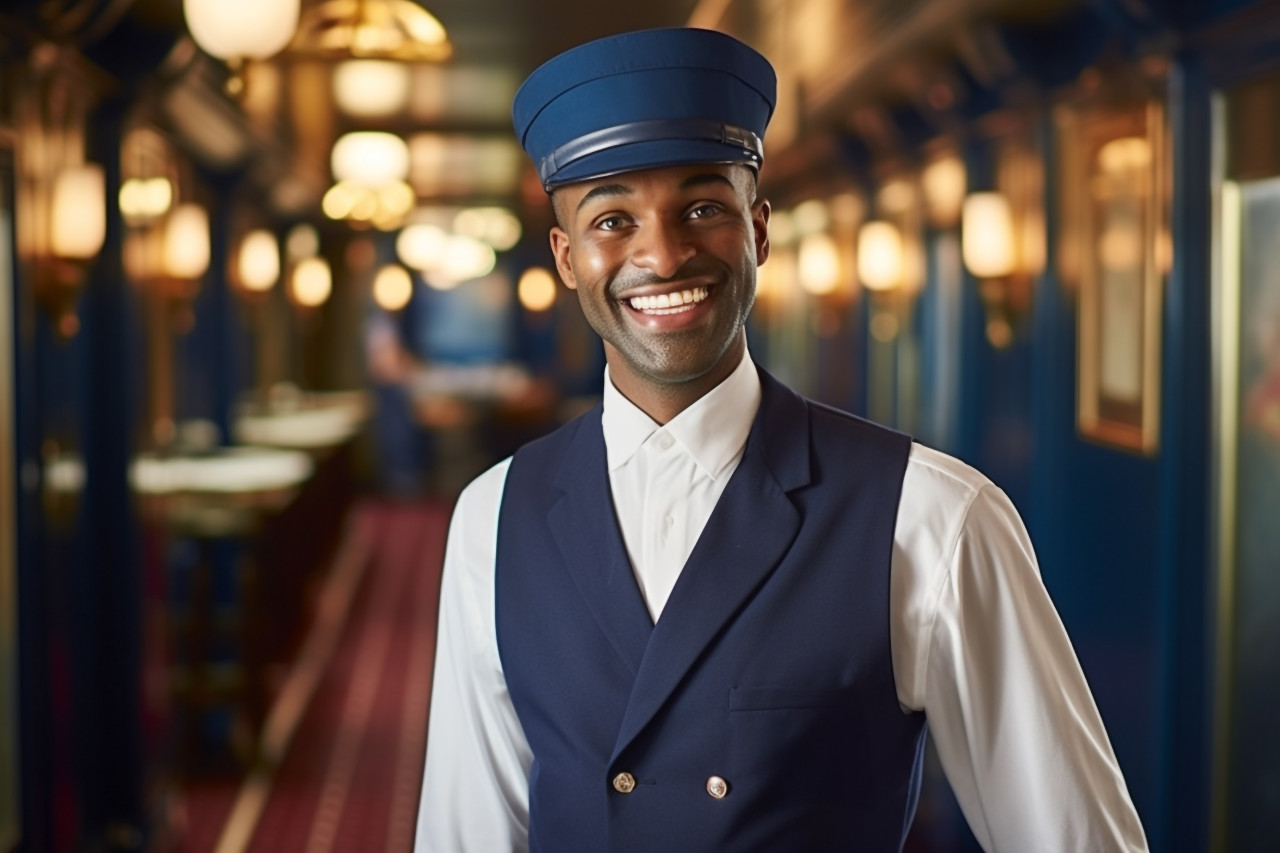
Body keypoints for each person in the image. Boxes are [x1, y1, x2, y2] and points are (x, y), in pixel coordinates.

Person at [415, 27, 1148, 853]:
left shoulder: (935, 516)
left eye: (702, 209)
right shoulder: (490, 518)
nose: (663, 254)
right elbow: (465, 836)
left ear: (759, 232)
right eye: (613, 220)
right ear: (566, 257)